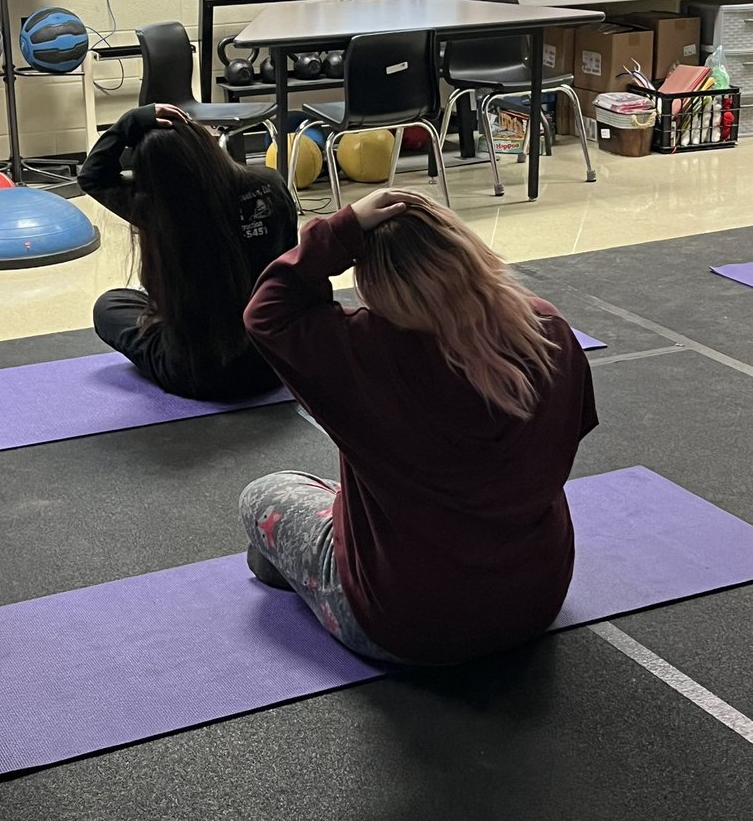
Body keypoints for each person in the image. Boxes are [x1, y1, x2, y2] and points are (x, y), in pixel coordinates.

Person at [240, 189, 598, 665]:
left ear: (376, 283)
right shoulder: (547, 332)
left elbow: (266, 311)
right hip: (537, 600)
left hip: (404, 626)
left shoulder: (360, 350)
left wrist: (340, 229)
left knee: (265, 493)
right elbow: (568, 436)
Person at [78, 104, 298, 400]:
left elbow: (93, 177)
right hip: (275, 366)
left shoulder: (160, 211)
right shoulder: (269, 184)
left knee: (109, 306)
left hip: (196, 373)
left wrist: (129, 122)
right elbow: (292, 268)